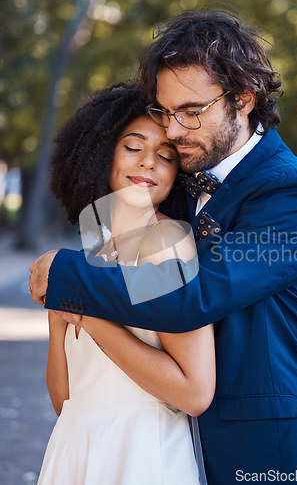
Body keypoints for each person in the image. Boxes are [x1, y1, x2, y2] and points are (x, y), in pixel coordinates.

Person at [30, 10, 297, 484]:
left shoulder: (290, 192)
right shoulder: (153, 197)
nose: (172, 131)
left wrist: (70, 281)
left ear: (243, 99)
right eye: (163, 111)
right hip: (158, 446)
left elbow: (192, 297)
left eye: (190, 111)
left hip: (263, 452)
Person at [36, 83, 215, 485]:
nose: (148, 162)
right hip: (76, 449)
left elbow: (195, 393)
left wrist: (87, 316)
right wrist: (59, 319)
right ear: (101, 155)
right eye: (133, 147)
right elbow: (66, 401)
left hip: (142, 454)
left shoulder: (167, 244)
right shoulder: (94, 248)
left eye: (165, 155)